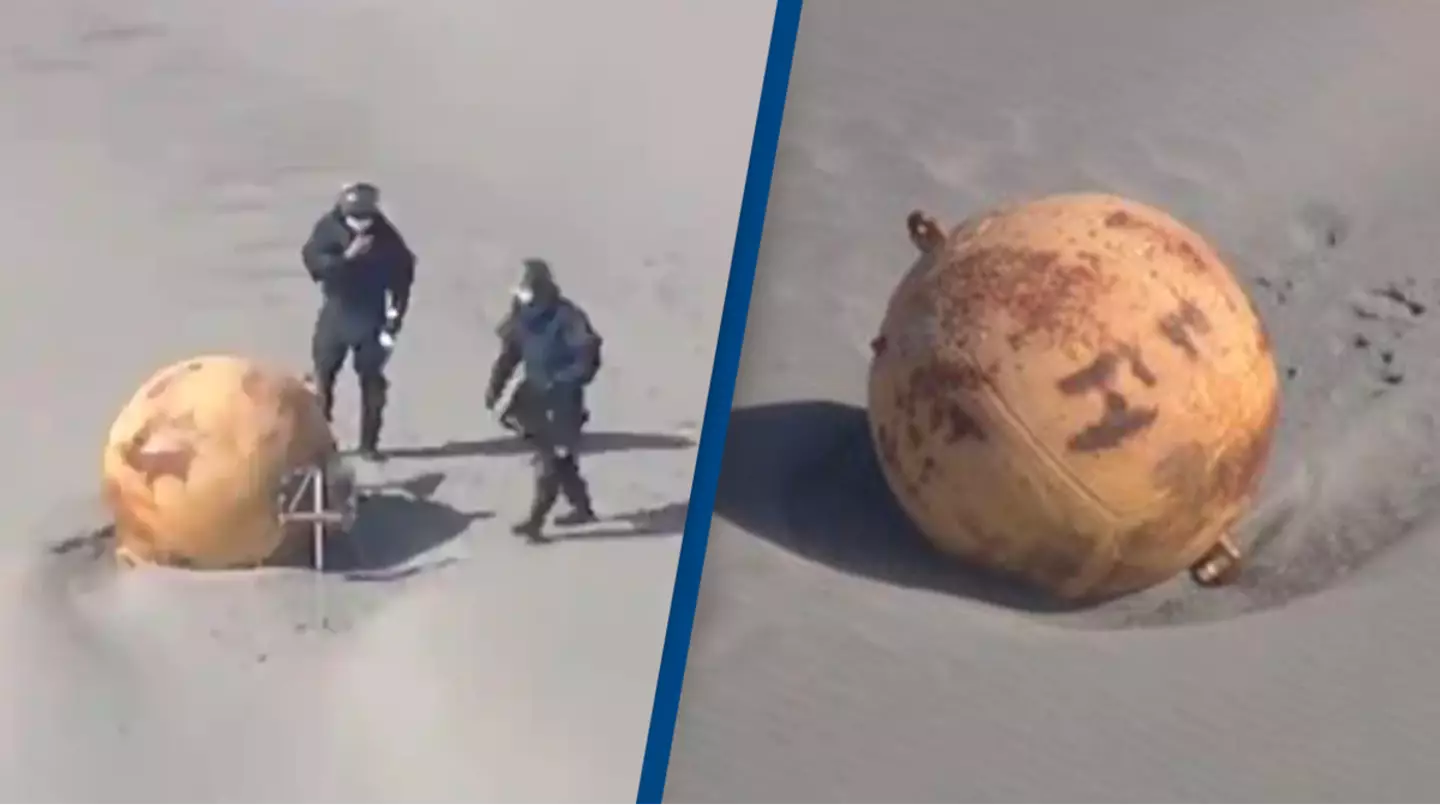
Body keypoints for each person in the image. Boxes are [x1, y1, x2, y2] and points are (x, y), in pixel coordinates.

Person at [484, 258, 603, 542]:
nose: (520, 295)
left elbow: (588, 355)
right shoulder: (521, 316)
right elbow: (510, 353)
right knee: (559, 460)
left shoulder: (567, 317)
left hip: (562, 400)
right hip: (533, 395)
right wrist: (495, 386)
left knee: (550, 461)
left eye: (525, 290)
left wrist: (563, 380)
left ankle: (535, 522)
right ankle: (582, 506)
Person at [301, 181, 416, 461]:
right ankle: (320, 443)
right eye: (354, 218)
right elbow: (314, 262)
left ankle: (369, 444)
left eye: (365, 219)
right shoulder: (328, 228)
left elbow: (402, 283)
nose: (360, 225)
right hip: (337, 313)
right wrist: (347, 258)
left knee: (373, 383)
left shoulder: (387, 238)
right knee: (323, 379)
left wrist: (392, 324)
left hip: (371, 317)